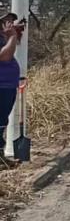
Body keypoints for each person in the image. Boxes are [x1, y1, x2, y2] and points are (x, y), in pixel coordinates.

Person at [0, 10, 24, 152]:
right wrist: (12, 36)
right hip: (1, 86)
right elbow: (5, 56)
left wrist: (15, 36)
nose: (10, 24)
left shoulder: (4, 37)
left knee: (2, 121)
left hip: (7, 86)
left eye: (11, 21)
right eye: (6, 21)